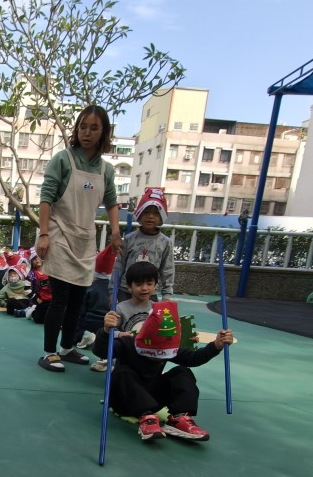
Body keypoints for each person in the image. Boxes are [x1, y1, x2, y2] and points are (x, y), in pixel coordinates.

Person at [35, 104, 123, 372]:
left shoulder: (106, 170)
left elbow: (111, 203)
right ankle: (49, 352)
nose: (87, 132)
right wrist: (44, 234)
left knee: (77, 300)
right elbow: (46, 198)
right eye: (83, 126)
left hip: (85, 240)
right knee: (60, 299)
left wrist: (116, 233)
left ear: (103, 132)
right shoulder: (63, 159)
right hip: (59, 235)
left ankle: (67, 347)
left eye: (94, 128)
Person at [92, 299, 232, 443]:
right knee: (123, 372)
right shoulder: (128, 343)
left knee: (182, 372)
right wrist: (105, 331)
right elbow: (101, 351)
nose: (159, 358)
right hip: (124, 400)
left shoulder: (168, 348)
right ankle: (147, 419)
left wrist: (215, 346)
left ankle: (179, 418)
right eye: (154, 354)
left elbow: (193, 358)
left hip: (152, 398)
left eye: (163, 355)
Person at [117, 187, 175, 302]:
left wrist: (166, 295)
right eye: (146, 212)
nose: (150, 216)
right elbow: (119, 266)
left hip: (150, 293)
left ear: (161, 217)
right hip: (126, 291)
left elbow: (168, 269)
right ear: (139, 214)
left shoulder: (165, 242)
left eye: (156, 213)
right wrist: (112, 291)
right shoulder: (129, 239)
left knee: (149, 315)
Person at [76, 244, 119, 370]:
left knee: (73, 330)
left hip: (90, 322)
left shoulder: (89, 287)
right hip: (108, 324)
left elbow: (81, 310)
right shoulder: (114, 290)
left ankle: (85, 335)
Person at [26, 252, 52, 323]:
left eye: (38, 258)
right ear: (32, 263)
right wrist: (36, 298)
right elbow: (26, 290)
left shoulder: (51, 271)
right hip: (40, 301)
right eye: (34, 259)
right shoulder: (31, 274)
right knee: (39, 320)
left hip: (53, 300)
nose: (37, 260)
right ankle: (32, 312)